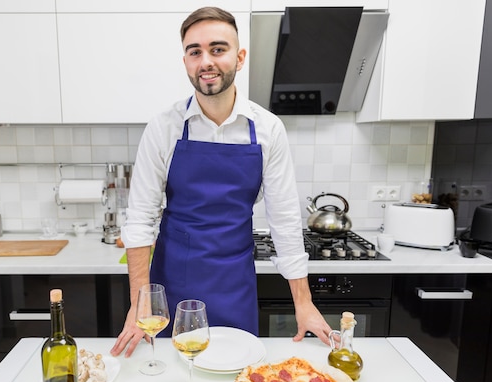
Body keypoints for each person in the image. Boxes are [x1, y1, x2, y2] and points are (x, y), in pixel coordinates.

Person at [110, 6, 332, 358]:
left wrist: (303, 303)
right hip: (173, 282)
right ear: (185, 61)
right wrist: (141, 304)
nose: (205, 61)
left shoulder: (268, 129)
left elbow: (285, 222)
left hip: (235, 280)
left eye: (217, 49)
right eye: (194, 52)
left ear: (239, 57)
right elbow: (140, 220)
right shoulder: (164, 127)